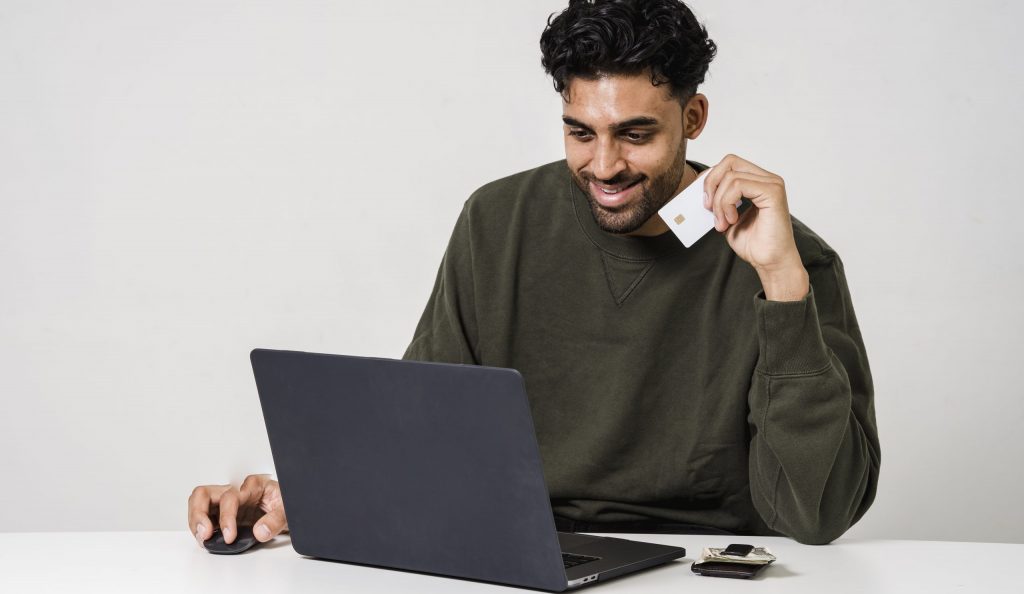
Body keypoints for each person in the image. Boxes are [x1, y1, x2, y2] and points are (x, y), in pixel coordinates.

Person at [188, 0, 879, 548]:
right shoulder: (499, 222)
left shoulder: (788, 257)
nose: (604, 166)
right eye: (581, 131)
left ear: (693, 118)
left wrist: (783, 284)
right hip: (526, 555)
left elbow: (818, 516)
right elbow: (423, 438)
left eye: (635, 135)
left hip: (703, 568)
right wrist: (297, 497)